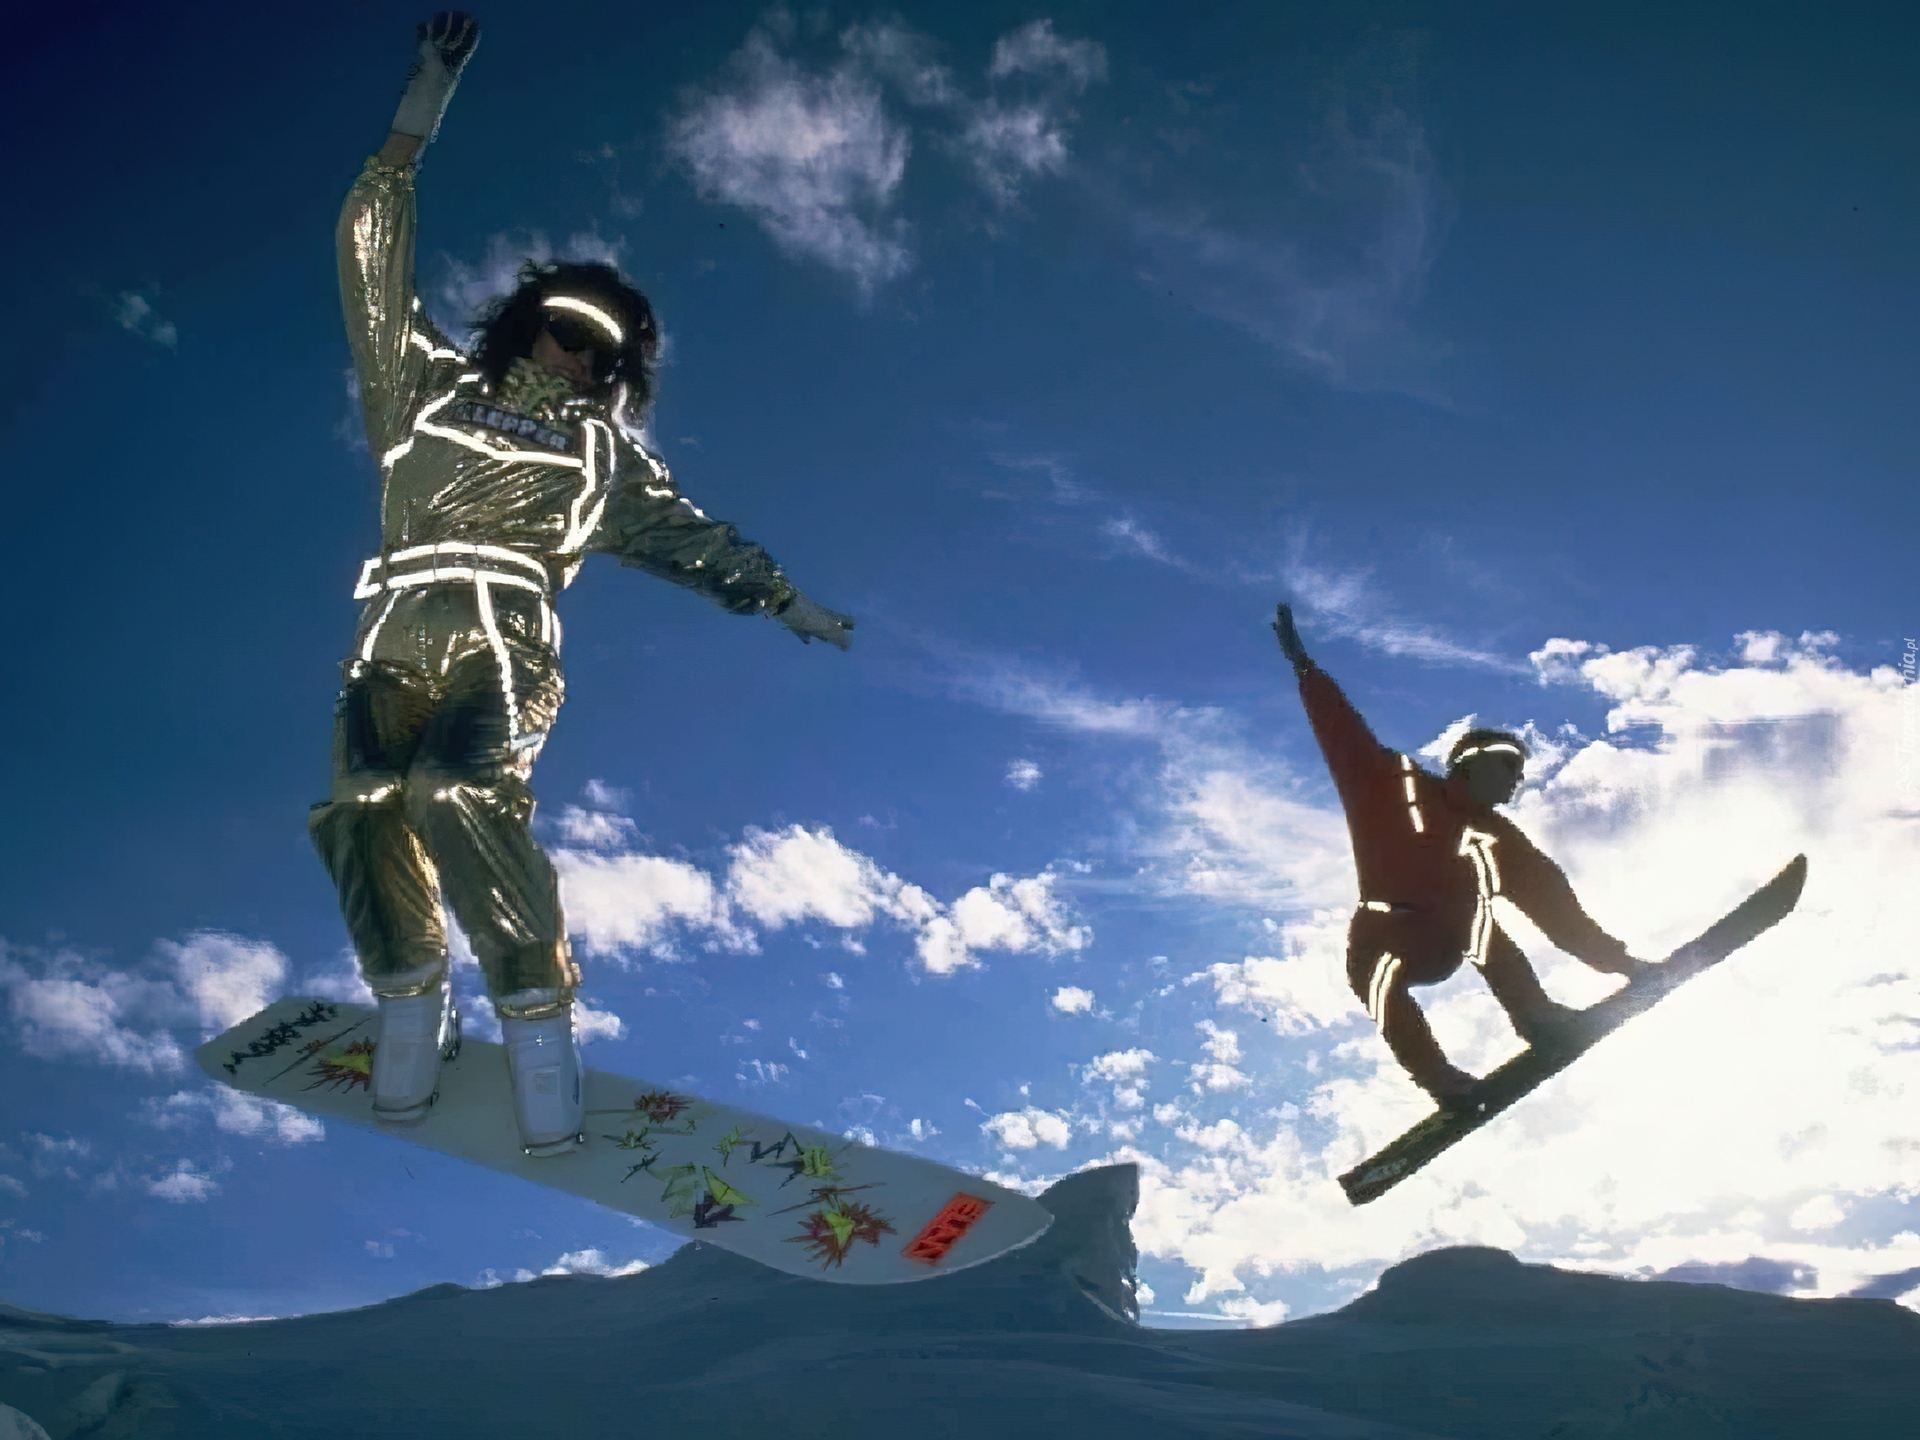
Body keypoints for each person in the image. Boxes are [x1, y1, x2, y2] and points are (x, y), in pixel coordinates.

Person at [312, 13, 855, 1155]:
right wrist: (421, 112)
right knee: (364, 804)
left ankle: (534, 1008)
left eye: (604, 357)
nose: (580, 360)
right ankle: (412, 990)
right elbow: (371, 253)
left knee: (457, 794)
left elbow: (686, 534)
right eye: (567, 332)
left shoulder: (600, 456)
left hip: (506, 637)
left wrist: (782, 600)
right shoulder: (422, 393)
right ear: (526, 323)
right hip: (397, 623)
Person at [1272, 604, 1648, 1106]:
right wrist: (1305, 669)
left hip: (1447, 937)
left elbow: (1557, 911)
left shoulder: (1499, 840)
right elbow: (1343, 732)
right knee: (1381, 982)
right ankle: (1440, 1079)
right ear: (1473, 765)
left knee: (1476, 919)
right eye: (1509, 770)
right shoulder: (1392, 786)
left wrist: (1622, 963)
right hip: (1381, 939)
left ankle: (1538, 1018)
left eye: (1519, 776)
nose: (1516, 784)